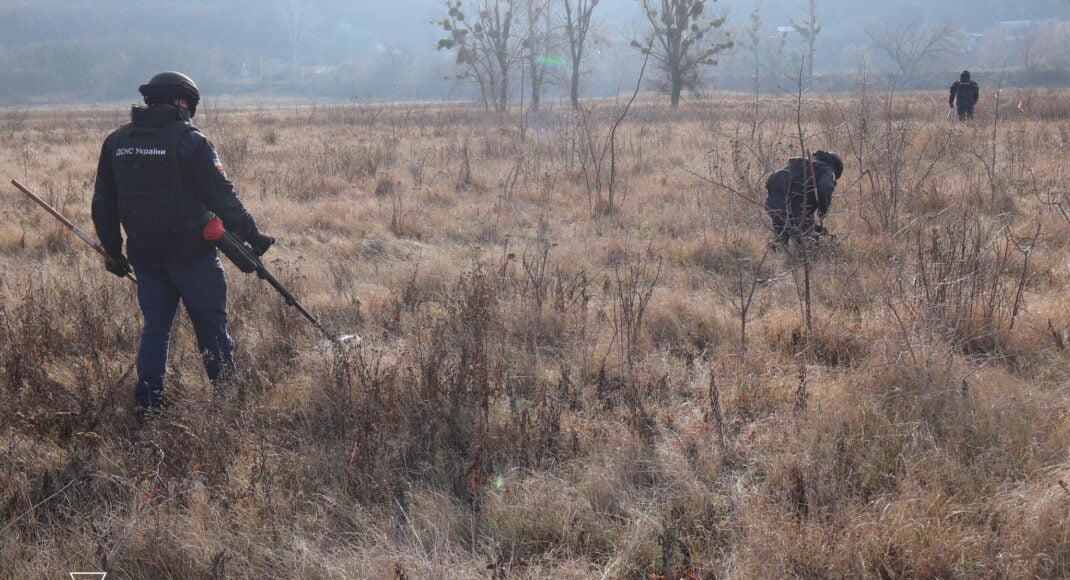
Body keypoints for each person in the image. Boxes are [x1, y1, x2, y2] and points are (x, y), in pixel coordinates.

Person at [92, 71, 275, 418]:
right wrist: (253, 235)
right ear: (182, 101)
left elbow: (103, 202)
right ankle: (227, 398)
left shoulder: (116, 141)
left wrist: (113, 252)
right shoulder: (191, 141)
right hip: (193, 255)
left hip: (144, 255)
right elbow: (222, 197)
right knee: (210, 324)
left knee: (155, 328)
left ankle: (148, 401)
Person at [764, 150, 843, 248]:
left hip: (772, 202)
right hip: (793, 205)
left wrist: (816, 227)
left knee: (781, 240)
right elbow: (824, 187)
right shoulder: (827, 169)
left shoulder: (799, 161)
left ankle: (774, 257)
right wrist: (823, 210)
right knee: (808, 244)